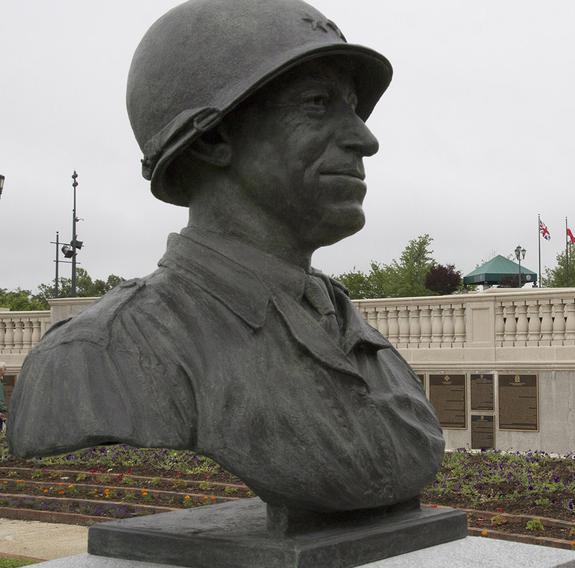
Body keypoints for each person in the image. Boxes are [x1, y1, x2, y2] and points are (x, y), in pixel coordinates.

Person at [8, 0, 444, 516]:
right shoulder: (93, 358)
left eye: (352, 106)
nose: (364, 139)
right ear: (213, 137)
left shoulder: (350, 329)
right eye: (317, 103)